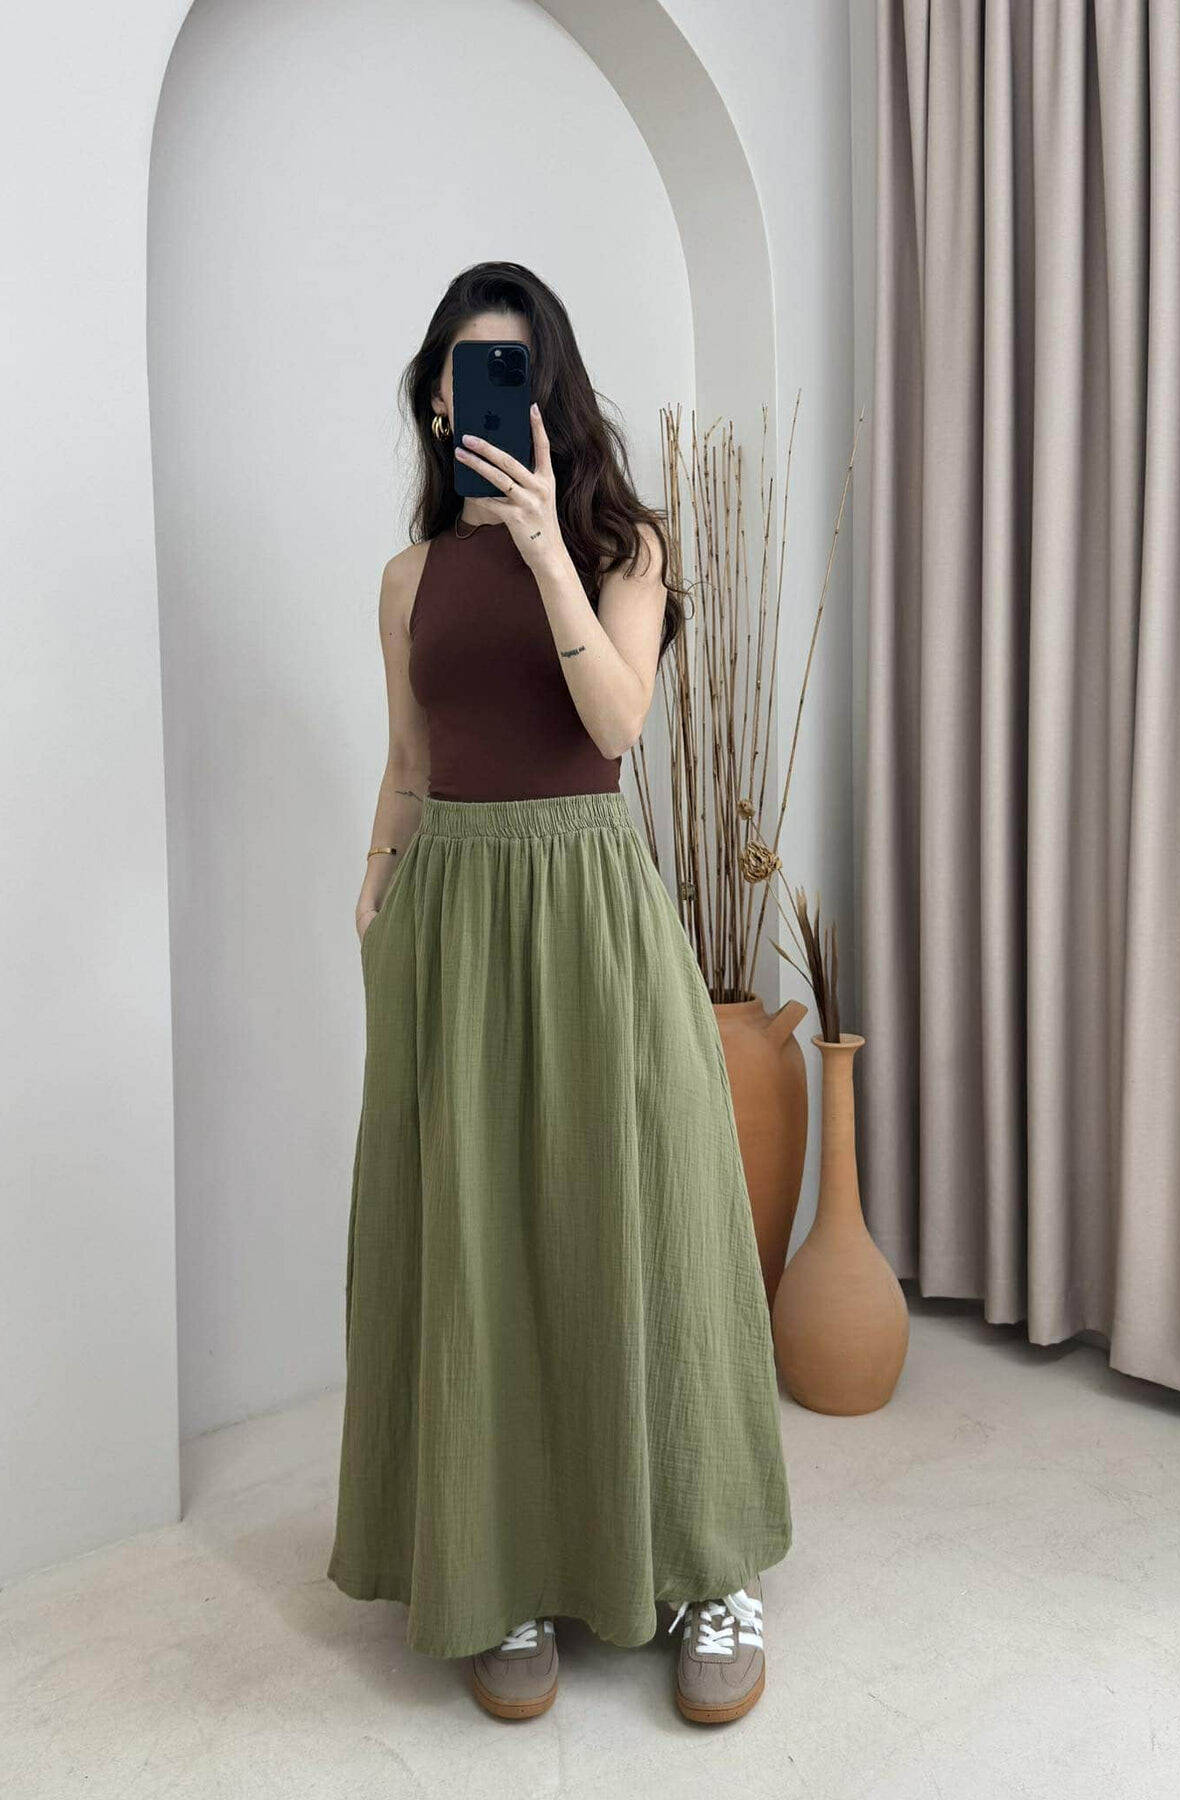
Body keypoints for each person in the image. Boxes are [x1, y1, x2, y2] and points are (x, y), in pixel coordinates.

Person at [326, 261, 792, 1725]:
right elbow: (410, 759)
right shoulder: (405, 581)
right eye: (463, 370)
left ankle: (706, 1563)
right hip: (453, 914)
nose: (484, 394)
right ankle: (503, 1564)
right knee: (480, 1235)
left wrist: (541, 551)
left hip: (589, 904)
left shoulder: (620, 547)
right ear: (434, 400)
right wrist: (374, 883)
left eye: (513, 368)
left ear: (552, 393)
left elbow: (617, 724)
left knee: (647, 1221)